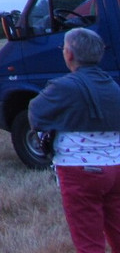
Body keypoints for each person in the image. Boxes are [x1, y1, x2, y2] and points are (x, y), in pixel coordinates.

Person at [29, 27, 120, 252]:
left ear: (69, 54)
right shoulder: (113, 85)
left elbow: (36, 114)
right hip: (116, 169)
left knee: (89, 242)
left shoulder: (62, 87)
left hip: (80, 173)